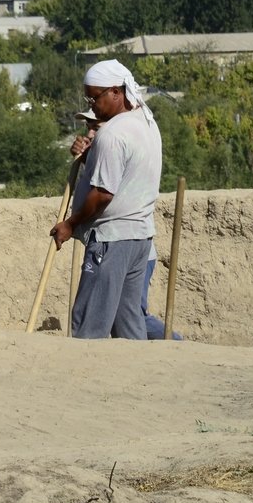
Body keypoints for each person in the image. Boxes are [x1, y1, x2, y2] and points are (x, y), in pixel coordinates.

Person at [52, 59, 162, 339]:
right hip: (139, 238)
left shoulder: (113, 133)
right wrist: (89, 156)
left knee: (90, 323)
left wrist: (70, 223)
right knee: (128, 326)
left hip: (112, 240)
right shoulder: (146, 122)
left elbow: (102, 194)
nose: (92, 104)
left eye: (95, 97)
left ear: (116, 91)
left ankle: (85, 378)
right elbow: (122, 172)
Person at [71, 109, 180, 341]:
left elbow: (103, 193)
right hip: (132, 242)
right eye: (88, 126)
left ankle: (174, 343)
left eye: (96, 126)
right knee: (127, 317)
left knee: (128, 315)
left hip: (120, 242)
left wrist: (71, 224)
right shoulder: (114, 142)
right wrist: (85, 160)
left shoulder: (116, 140)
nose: (90, 132)